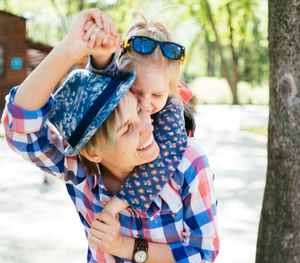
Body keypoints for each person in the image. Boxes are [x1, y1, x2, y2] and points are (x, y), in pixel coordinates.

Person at [2, 8, 219, 263]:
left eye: (145, 108)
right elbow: (20, 130)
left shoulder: (187, 161)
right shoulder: (81, 170)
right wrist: (68, 50)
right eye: (128, 126)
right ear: (93, 153)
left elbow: (203, 254)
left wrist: (124, 246)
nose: (147, 120)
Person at [83, 12, 196, 217]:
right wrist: (101, 55)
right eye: (135, 91)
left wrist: (114, 207)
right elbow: (102, 77)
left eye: (156, 95)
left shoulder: (171, 111)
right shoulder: (118, 97)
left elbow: (161, 163)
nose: (145, 103)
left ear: (171, 91)